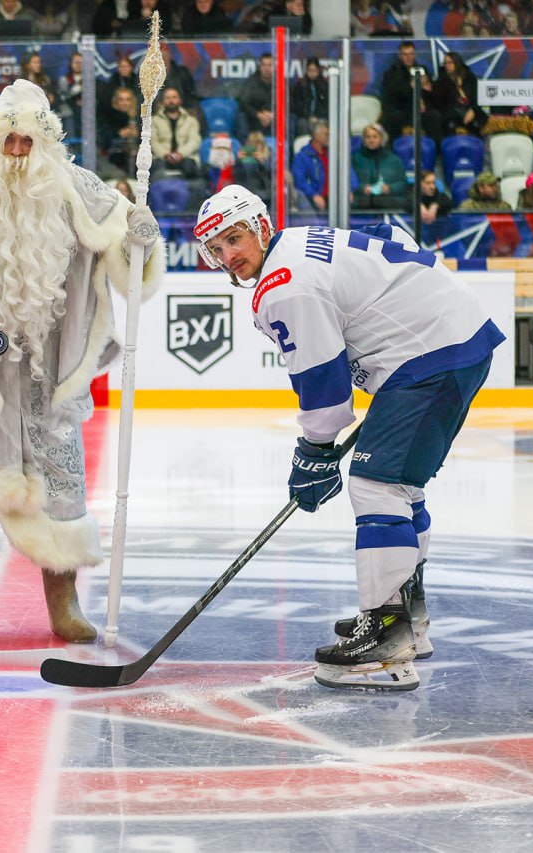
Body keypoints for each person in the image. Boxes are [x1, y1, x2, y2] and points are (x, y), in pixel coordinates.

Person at [192, 185, 504, 691]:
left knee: (377, 485)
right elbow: (389, 236)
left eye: (235, 238)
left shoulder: (284, 283)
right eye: (217, 249)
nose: (230, 256)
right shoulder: (297, 242)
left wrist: (312, 454)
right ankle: (408, 619)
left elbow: (327, 393)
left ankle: (386, 634)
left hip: (428, 353)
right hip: (451, 339)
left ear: (261, 226)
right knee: (401, 486)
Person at [0, 79, 162, 645]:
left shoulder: (79, 190)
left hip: (45, 367)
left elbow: (123, 253)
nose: (17, 153)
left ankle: (63, 602)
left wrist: (139, 241)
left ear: (45, 143)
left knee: (57, 481)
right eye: (8, 141)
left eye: (27, 142)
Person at [379, 41, 435, 139]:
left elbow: (429, 89)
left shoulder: (422, 69)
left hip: (420, 108)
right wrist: (412, 86)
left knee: (434, 116)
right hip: (400, 108)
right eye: (405, 54)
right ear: (400, 55)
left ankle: (436, 150)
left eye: (411, 54)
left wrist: (427, 89)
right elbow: (392, 94)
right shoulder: (392, 73)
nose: (409, 57)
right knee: (393, 117)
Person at [429, 51, 486, 138]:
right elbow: (439, 104)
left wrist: (473, 110)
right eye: (445, 63)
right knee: (451, 120)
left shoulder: (470, 77)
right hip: (452, 113)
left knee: (481, 119)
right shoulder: (441, 81)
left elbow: (478, 97)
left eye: (450, 63)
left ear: (457, 62)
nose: (447, 66)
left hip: (471, 110)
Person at [351, 123, 408, 210]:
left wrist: (389, 188)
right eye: (368, 137)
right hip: (360, 205)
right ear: (364, 140)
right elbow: (347, 183)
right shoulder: (354, 159)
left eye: (375, 137)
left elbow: (403, 184)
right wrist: (363, 188)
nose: (371, 140)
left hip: (388, 205)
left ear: (381, 139)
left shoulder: (394, 160)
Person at [150, 86, 200, 180]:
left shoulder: (191, 120)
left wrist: (180, 154)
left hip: (185, 157)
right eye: (168, 98)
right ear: (163, 101)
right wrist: (165, 154)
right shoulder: (154, 120)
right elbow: (153, 142)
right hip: (162, 158)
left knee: (190, 168)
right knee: (157, 170)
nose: (171, 101)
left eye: (174, 97)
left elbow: (194, 141)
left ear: (180, 100)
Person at [292, 120, 329, 212]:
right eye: (326, 134)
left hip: (334, 198)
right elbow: (299, 180)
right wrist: (314, 195)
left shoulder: (332, 153)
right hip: (313, 200)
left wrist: (349, 189)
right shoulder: (302, 156)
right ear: (316, 135)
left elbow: (348, 171)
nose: (329, 137)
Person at [237, 54, 275, 140]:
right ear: (259, 67)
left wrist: (273, 114)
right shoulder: (251, 82)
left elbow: (289, 103)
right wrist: (258, 115)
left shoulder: (281, 81)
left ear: (274, 67)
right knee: (242, 117)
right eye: (264, 65)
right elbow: (244, 103)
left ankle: (286, 152)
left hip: (274, 117)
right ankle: (246, 151)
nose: (267, 68)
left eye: (270, 65)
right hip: (255, 117)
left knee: (289, 119)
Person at [291, 57, 329, 137]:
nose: (312, 73)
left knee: (323, 124)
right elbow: (297, 106)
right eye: (310, 71)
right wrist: (309, 116)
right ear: (306, 71)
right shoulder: (300, 85)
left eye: (314, 71)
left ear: (318, 71)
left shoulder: (324, 86)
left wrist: (317, 117)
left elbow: (326, 106)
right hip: (305, 118)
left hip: (320, 117)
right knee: (302, 124)